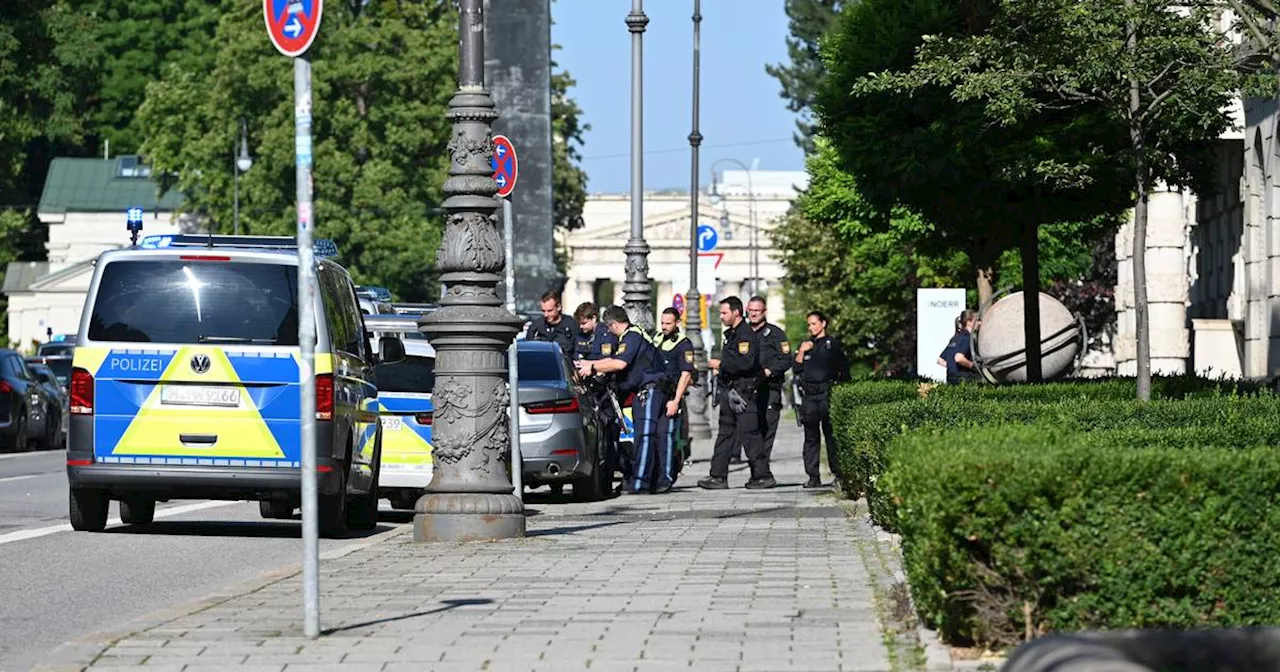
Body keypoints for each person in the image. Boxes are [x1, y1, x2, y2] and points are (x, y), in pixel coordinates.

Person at [575, 306, 670, 494]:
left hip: (648, 390)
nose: (608, 332)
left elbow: (619, 363)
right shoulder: (632, 335)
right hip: (646, 391)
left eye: (609, 328)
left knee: (644, 437)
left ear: (614, 324)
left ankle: (640, 482)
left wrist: (592, 367)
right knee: (646, 437)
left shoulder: (631, 337)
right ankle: (649, 479)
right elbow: (614, 360)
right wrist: (591, 365)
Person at [698, 297, 774, 490]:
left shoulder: (745, 335)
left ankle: (762, 475)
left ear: (736, 313)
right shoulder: (732, 334)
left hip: (744, 392)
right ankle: (718, 476)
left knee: (750, 435)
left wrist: (721, 365)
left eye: (724, 313)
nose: (721, 316)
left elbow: (746, 363)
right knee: (725, 433)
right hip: (731, 391)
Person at [794, 311, 849, 489]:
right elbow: (796, 368)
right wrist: (802, 351)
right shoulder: (806, 345)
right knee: (811, 438)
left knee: (831, 436)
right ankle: (813, 476)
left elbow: (844, 369)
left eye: (814, 324)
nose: (811, 327)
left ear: (823, 323)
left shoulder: (831, 344)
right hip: (810, 396)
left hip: (827, 393)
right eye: (809, 325)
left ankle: (838, 474)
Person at [576, 301, 621, 491]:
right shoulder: (581, 336)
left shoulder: (606, 335)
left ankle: (607, 480)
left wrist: (591, 368)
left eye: (584, 323)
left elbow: (607, 362)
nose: (581, 327)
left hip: (604, 392)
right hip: (587, 391)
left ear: (594, 318)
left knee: (608, 436)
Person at [745, 295, 791, 461]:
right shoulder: (742, 333)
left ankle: (762, 470)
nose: (754, 314)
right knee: (750, 430)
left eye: (757, 310)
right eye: (751, 310)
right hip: (748, 390)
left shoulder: (776, 334)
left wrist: (769, 371)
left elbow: (786, 360)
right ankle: (755, 467)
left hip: (770, 388)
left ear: (764, 312)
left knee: (767, 428)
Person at [655, 307, 696, 484]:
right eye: (662, 323)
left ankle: (668, 475)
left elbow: (686, 375)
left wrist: (676, 401)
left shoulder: (683, 344)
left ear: (677, 323)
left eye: (668, 323)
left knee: (667, 437)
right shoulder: (657, 339)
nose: (664, 326)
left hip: (672, 396)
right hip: (656, 395)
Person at [526, 291, 576, 360]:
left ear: (558, 307)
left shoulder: (571, 324)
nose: (546, 315)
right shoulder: (536, 326)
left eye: (550, 311)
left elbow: (577, 349)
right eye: (543, 311)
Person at [937, 309, 981, 384]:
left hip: (951, 378)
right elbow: (959, 358)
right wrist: (973, 366)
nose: (980, 323)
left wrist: (952, 366)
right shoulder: (967, 339)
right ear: (969, 322)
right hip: (964, 379)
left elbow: (940, 360)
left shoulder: (955, 338)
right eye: (977, 320)